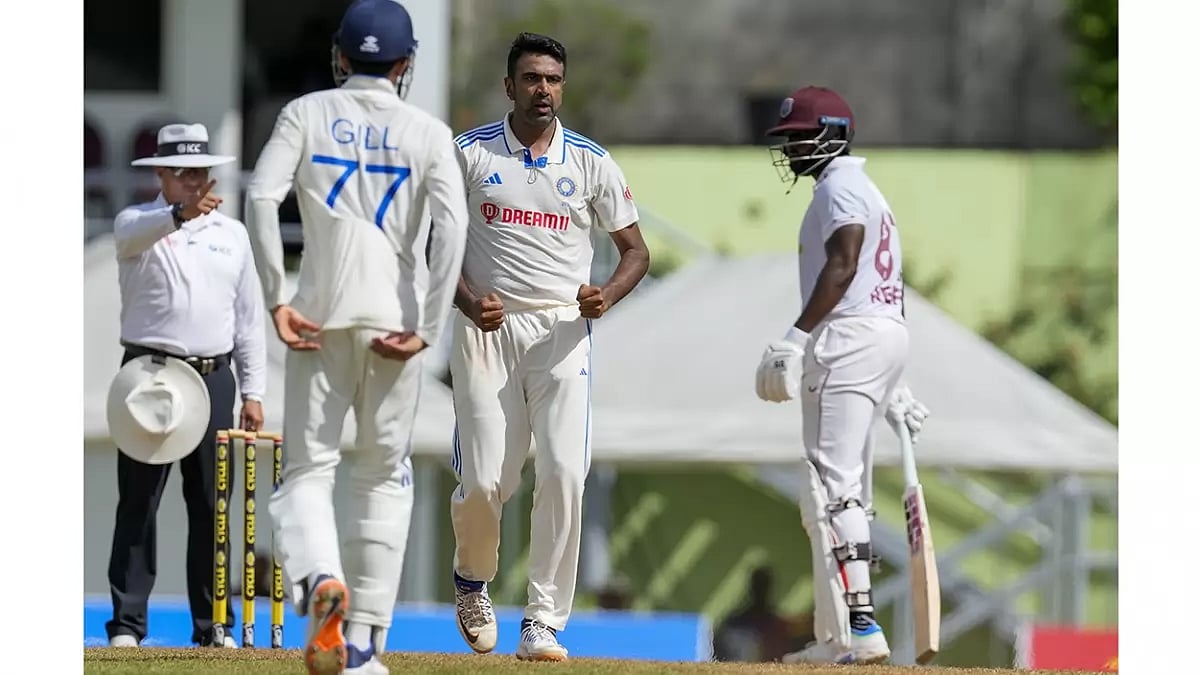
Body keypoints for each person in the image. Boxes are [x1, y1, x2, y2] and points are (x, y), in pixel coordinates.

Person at [243, 1, 469, 674]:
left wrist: (277, 298)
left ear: (341, 56)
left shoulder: (305, 114)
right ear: (405, 65)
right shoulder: (427, 130)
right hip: (395, 319)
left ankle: (318, 584)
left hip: (318, 313)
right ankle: (365, 639)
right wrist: (429, 326)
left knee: (309, 471)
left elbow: (260, 196)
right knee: (383, 476)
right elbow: (452, 228)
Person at [448, 32, 651, 663]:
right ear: (509, 86)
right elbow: (433, 241)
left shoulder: (590, 161)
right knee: (487, 479)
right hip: (487, 330)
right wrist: (464, 300)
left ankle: (543, 622)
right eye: (532, 78)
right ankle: (472, 580)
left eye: (553, 79)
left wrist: (607, 296)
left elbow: (636, 252)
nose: (543, 89)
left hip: (564, 331)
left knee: (565, 471)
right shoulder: (470, 154)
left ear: (563, 86)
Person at [752, 85, 930, 665]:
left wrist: (796, 336)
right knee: (841, 484)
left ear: (832, 133)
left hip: (849, 336)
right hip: (883, 331)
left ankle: (860, 627)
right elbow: (882, 281)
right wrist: (892, 376)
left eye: (799, 136)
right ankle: (838, 638)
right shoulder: (866, 188)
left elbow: (845, 260)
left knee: (833, 484)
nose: (791, 147)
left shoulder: (842, 186)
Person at [105, 122, 267, 649]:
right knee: (139, 502)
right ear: (161, 175)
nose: (195, 182)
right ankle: (127, 625)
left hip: (213, 376)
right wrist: (176, 216)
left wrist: (254, 392)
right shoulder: (138, 221)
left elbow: (247, 320)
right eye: (183, 173)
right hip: (149, 374)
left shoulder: (231, 234)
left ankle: (211, 624)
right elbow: (132, 234)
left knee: (212, 505)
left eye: (201, 172)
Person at [712, 567, 793, 662]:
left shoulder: (778, 626)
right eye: (759, 586)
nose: (760, 591)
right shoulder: (733, 624)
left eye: (763, 586)